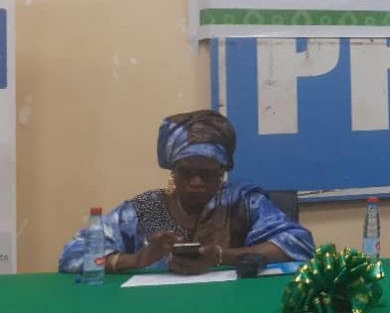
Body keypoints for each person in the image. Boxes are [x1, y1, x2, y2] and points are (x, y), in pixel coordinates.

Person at [58, 109, 315, 275]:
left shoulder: (241, 201)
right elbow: (72, 255)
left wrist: (220, 256)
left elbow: (301, 245)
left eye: (208, 173)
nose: (196, 182)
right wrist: (135, 260)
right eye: (187, 172)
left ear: (223, 171)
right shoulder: (147, 209)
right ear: (173, 170)